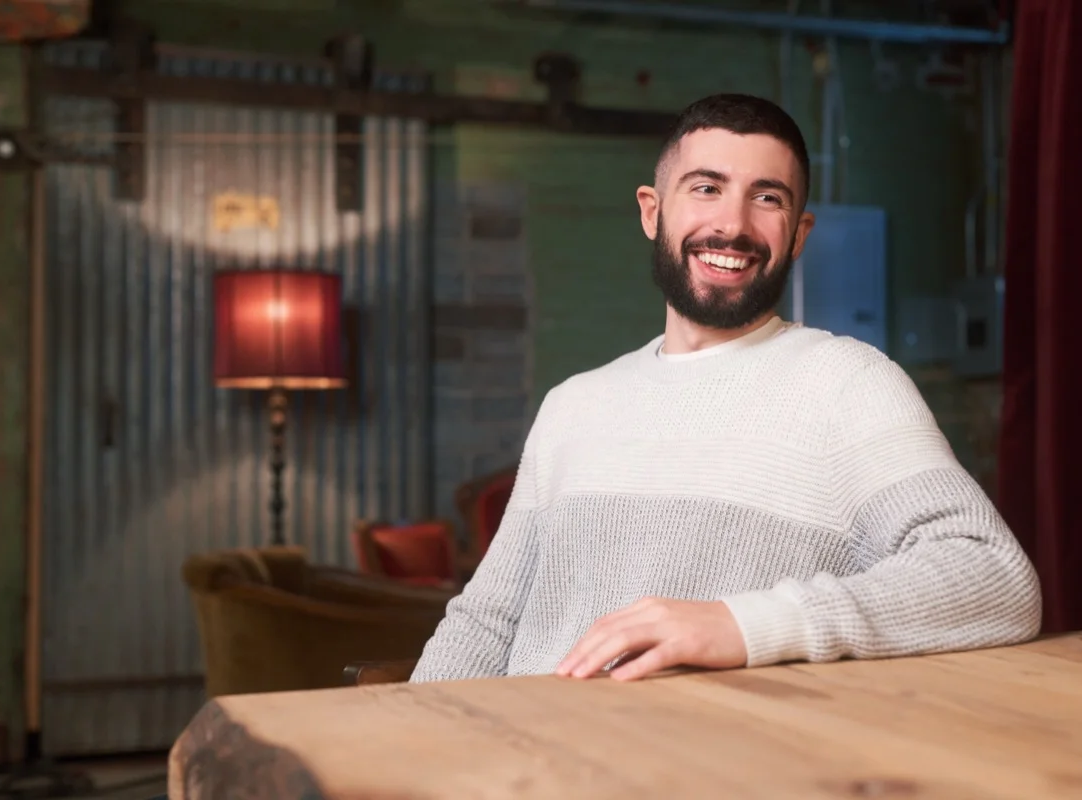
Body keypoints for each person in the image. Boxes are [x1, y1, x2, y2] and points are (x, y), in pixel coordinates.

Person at [410, 93, 1042, 684]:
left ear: (799, 235)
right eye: (706, 188)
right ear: (652, 213)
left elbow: (994, 578)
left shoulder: (846, 382)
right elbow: (486, 622)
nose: (732, 225)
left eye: (767, 198)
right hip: (519, 754)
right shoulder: (572, 403)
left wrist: (741, 624)